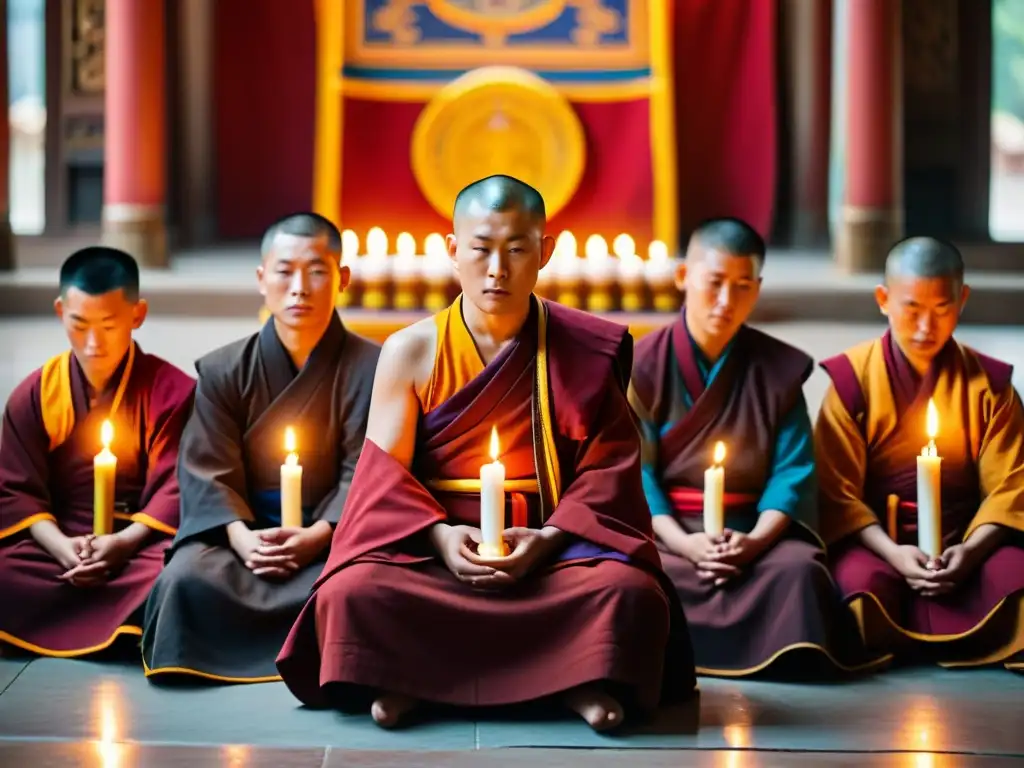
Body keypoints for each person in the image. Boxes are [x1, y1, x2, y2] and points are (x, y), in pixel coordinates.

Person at [276, 175, 695, 731]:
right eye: (481, 249)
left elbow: (609, 472)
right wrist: (442, 538)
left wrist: (546, 542)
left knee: (630, 593)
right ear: (453, 252)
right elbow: (385, 481)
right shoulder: (411, 351)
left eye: (518, 250)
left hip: (553, 549)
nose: (498, 270)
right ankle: (555, 679)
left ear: (544, 253)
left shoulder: (584, 349)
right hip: (437, 549)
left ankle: (525, 682)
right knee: (355, 591)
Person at [628, 218, 884, 677]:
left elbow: (792, 470)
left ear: (758, 288)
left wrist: (753, 543)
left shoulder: (778, 369)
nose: (727, 301)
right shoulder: (642, 366)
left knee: (800, 571)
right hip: (667, 535)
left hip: (752, 534)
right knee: (628, 576)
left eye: (742, 286)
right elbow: (636, 472)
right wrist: (686, 544)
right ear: (684, 277)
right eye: (715, 283)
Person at [141, 213, 380, 683]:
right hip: (243, 535)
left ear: (342, 279)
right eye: (284, 270)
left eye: (316, 271)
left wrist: (319, 534)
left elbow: (366, 467)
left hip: (335, 535)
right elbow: (207, 467)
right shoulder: (223, 369)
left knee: (363, 587)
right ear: (261, 279)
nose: (299, 288)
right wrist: (240, 537)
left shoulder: (374, 367)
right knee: (184, 580)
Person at [816, 236, 1024, 671]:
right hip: (877, 542)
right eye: (911, 308)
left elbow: (1012, 486)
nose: (926, 326)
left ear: (962, 299)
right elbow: (836, 493)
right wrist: (892, 552)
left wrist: (969, 551)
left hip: (966, 542)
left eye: (941, 308)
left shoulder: (989, 385)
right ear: (883, 299)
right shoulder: (852, 381)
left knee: (1016, 578)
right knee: (856, 589)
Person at [0, 247, 194, 657]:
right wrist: (59, 545)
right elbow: (15, 489)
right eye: (79, 323)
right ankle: (120, 625)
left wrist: (123, 543)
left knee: (183, 574)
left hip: (139, 545)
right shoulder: (37, 393)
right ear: (59, 311)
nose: (93, 342)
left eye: (108, 325)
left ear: (137, 315)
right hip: (55, 543)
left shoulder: (173, 392)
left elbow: (177, 486)